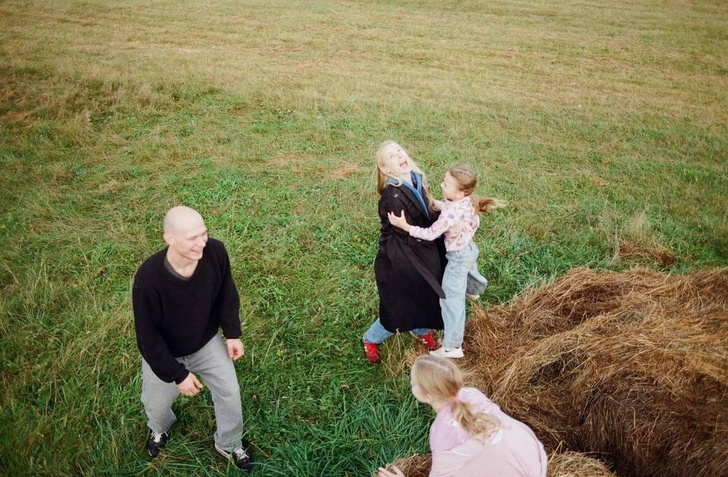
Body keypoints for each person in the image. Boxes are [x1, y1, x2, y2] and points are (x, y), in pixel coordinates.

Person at [132, 205, 252, 470]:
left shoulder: (215, 252)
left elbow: (226, 294)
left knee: (230, 393)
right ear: (169, 238)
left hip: (205, 342)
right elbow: (147, 338)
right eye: (192, 238)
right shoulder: (148, 278)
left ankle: (229, 443)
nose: (202, 243)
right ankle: (160, 429)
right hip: (166, 351)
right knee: (156, 405)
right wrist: (177, 374)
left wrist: (232, 333)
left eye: (204, 233)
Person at [388, 166, 504, 359]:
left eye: (446, 184)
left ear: (460, 192)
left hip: (458, 257)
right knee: (470, 268)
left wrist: (405, 226)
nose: (442, 184)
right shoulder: (466, 201)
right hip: (469, 249)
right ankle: (474, 291)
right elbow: (456, 211)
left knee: (450, 299)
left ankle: (452, 346)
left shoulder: (452, 214)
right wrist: (437, 204)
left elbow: (430, 233)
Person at [378, 356, 548, 477]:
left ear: (427, 395)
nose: (411, 385)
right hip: (533, 459)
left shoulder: (442, 432)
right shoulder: (471, 394)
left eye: (413, 383)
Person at [362, 140, 447, 364]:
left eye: (399, 150)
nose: (399, 155)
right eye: (392, 156)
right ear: (386, 170)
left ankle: (420, 330)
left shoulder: (417, 178)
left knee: (428, 295)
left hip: (423, 246)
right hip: (401, 256)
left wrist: (450, 216)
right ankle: (371, 338)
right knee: (400, 305)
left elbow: (428, 209)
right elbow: (402, 233)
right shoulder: (393, 196)